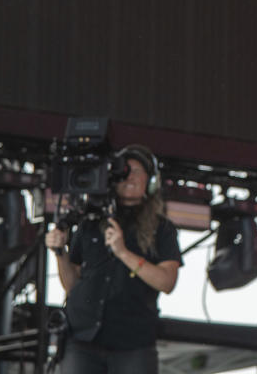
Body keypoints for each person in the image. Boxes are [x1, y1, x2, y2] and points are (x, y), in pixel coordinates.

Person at [44, 144, 182, 374]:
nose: (130, 176)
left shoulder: (163, 229)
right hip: (81, 340)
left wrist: (123, 253)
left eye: (138, 171)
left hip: (133, 345)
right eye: (124, 170)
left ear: (151, 181)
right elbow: (72, 285)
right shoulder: (88, 223)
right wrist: (60, 253)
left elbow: (167, 282)